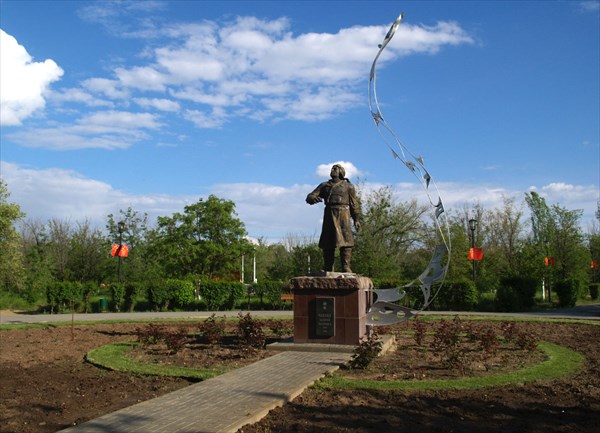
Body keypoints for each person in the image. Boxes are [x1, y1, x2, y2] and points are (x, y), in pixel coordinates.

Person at [306, 164, 361, 273]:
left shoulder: (348, 186)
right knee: (328, 242)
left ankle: (346, 266)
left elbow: (354, 204)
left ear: (341, 172)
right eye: (332, 169)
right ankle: (328, 266)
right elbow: (310, 196)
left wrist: (356, 219)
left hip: (343, 214)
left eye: (335, 169)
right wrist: (313, 198)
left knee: (346, 240)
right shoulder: (324, 185)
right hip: (329, 214)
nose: (333, 170)